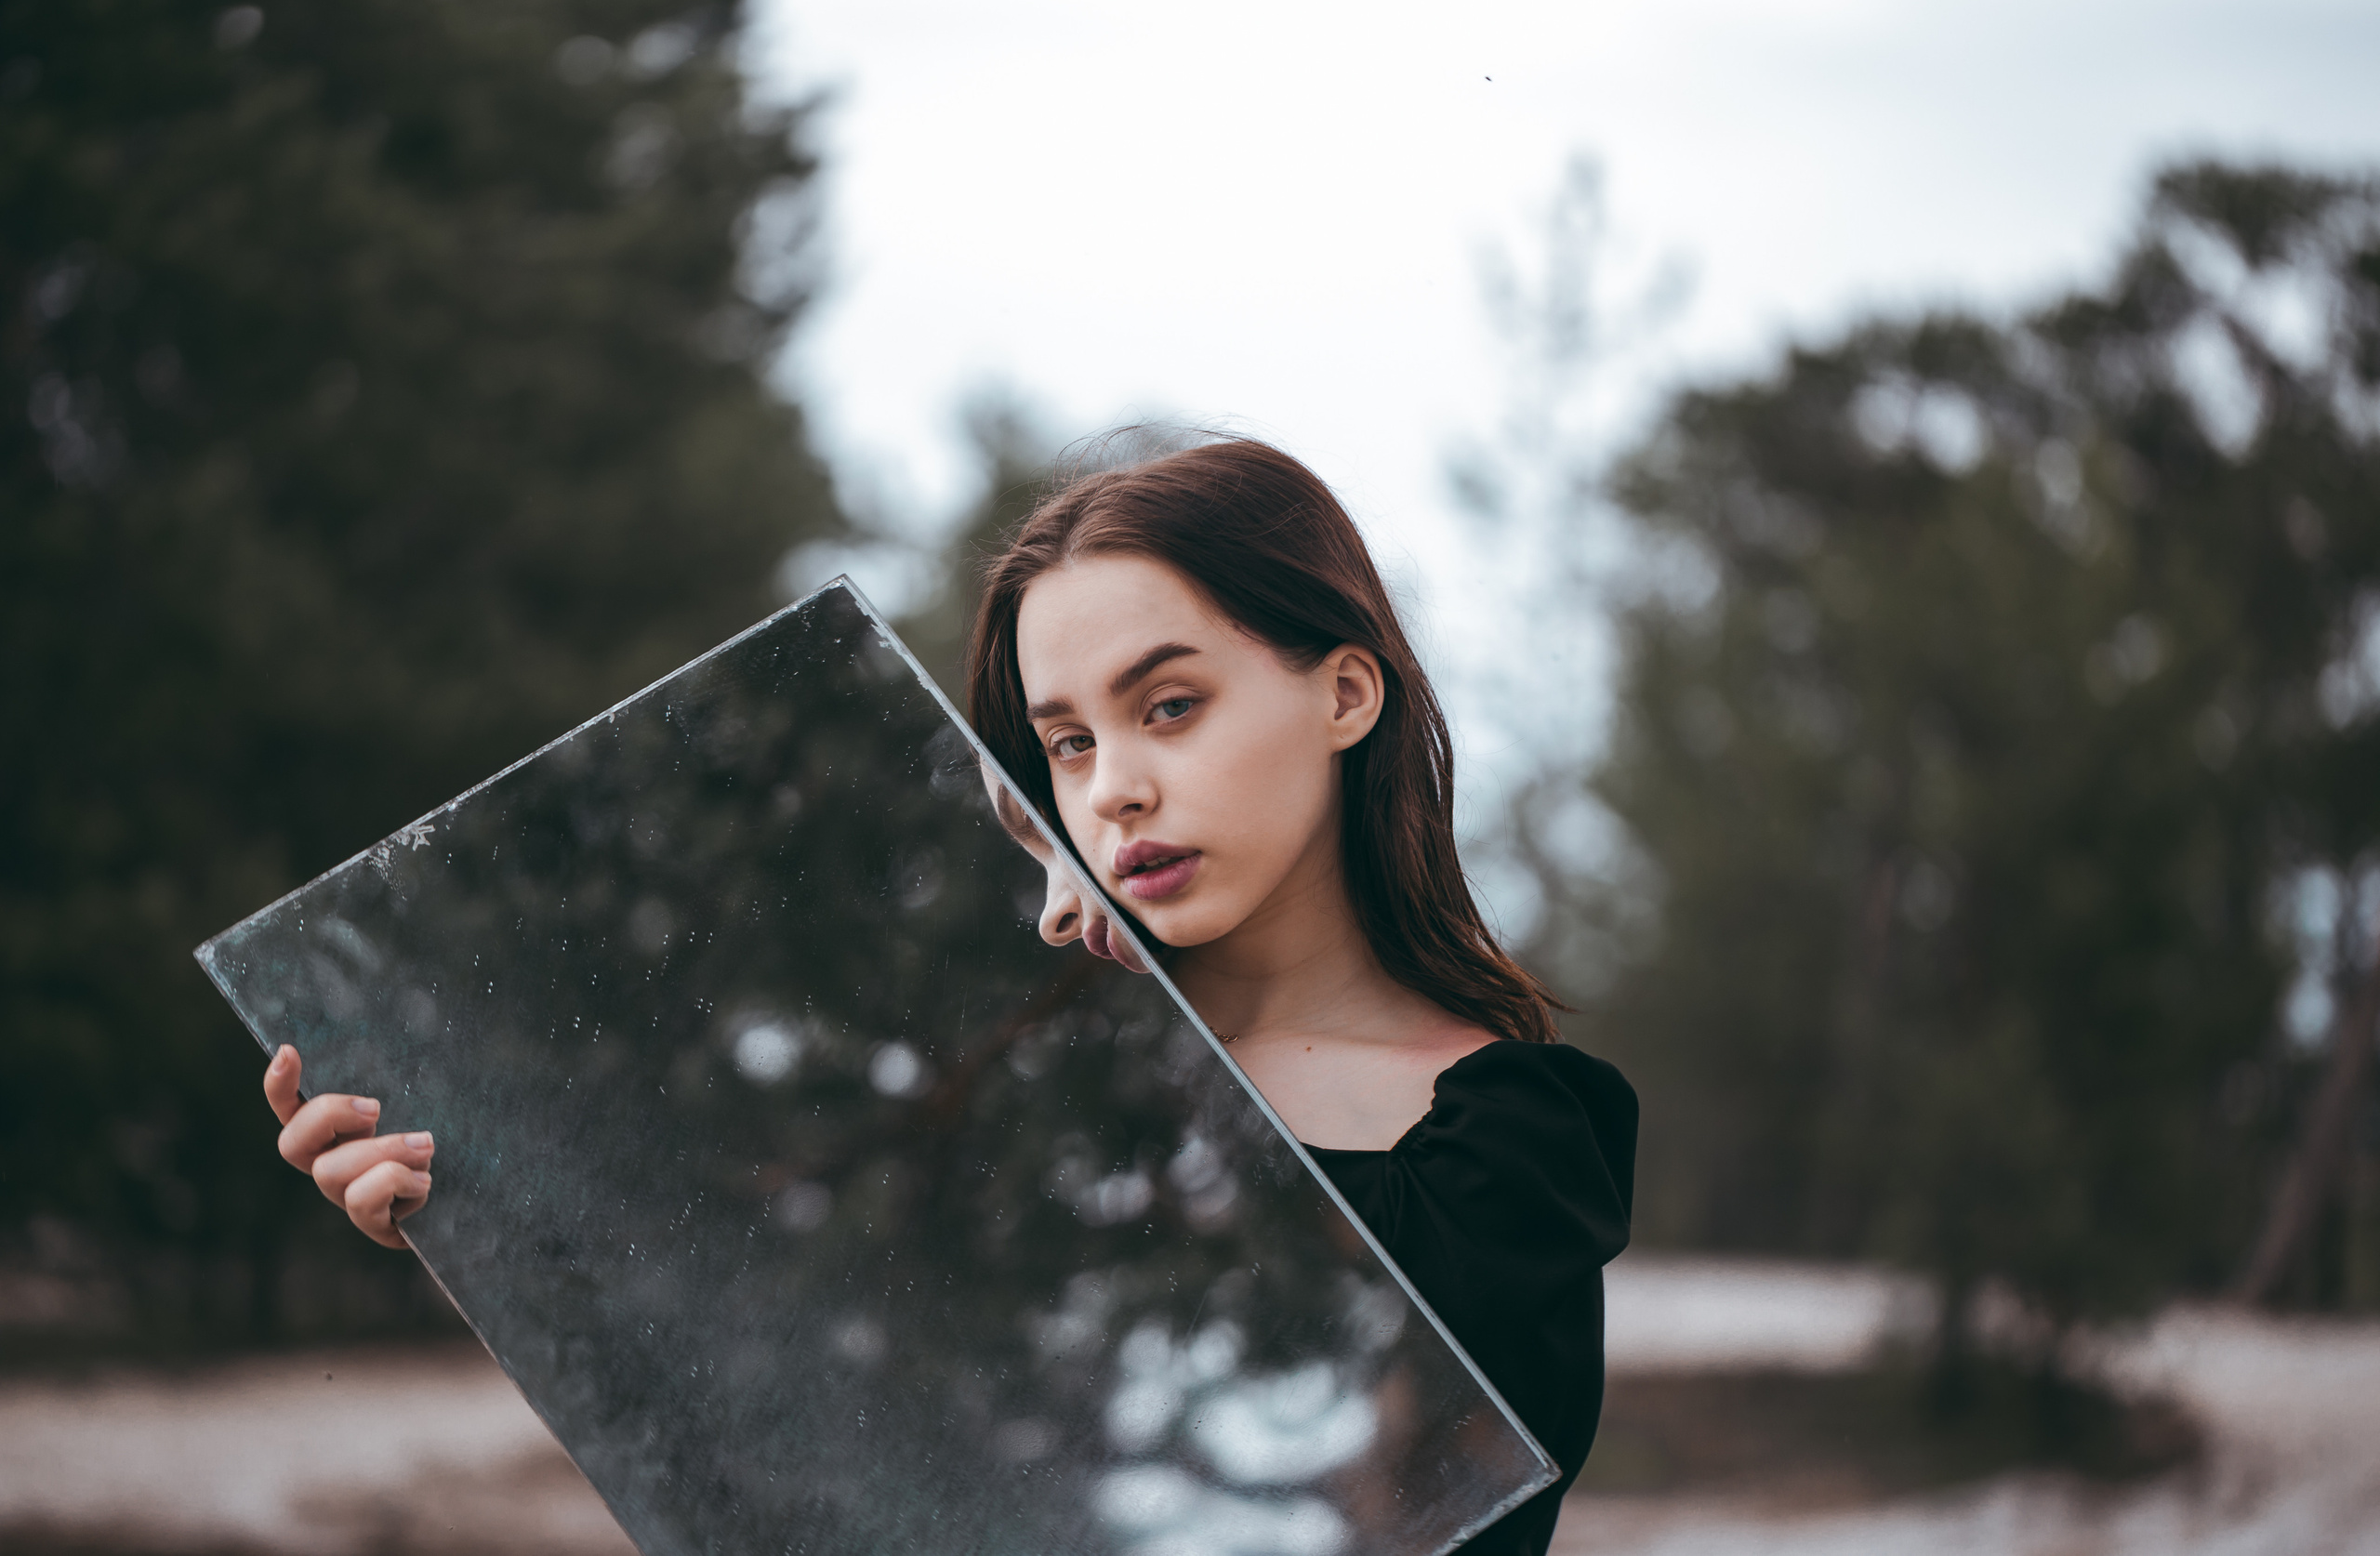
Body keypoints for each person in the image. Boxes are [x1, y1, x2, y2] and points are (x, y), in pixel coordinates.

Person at [264, 435, 1635, 1556]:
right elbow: (814, 1452)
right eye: (1067, 745)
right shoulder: (1019, 1105)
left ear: (1344, 695)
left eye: (1169, 706)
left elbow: (1400, 1510)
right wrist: (468, 1219)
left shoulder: (1504, 1140)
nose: (1116, 790)